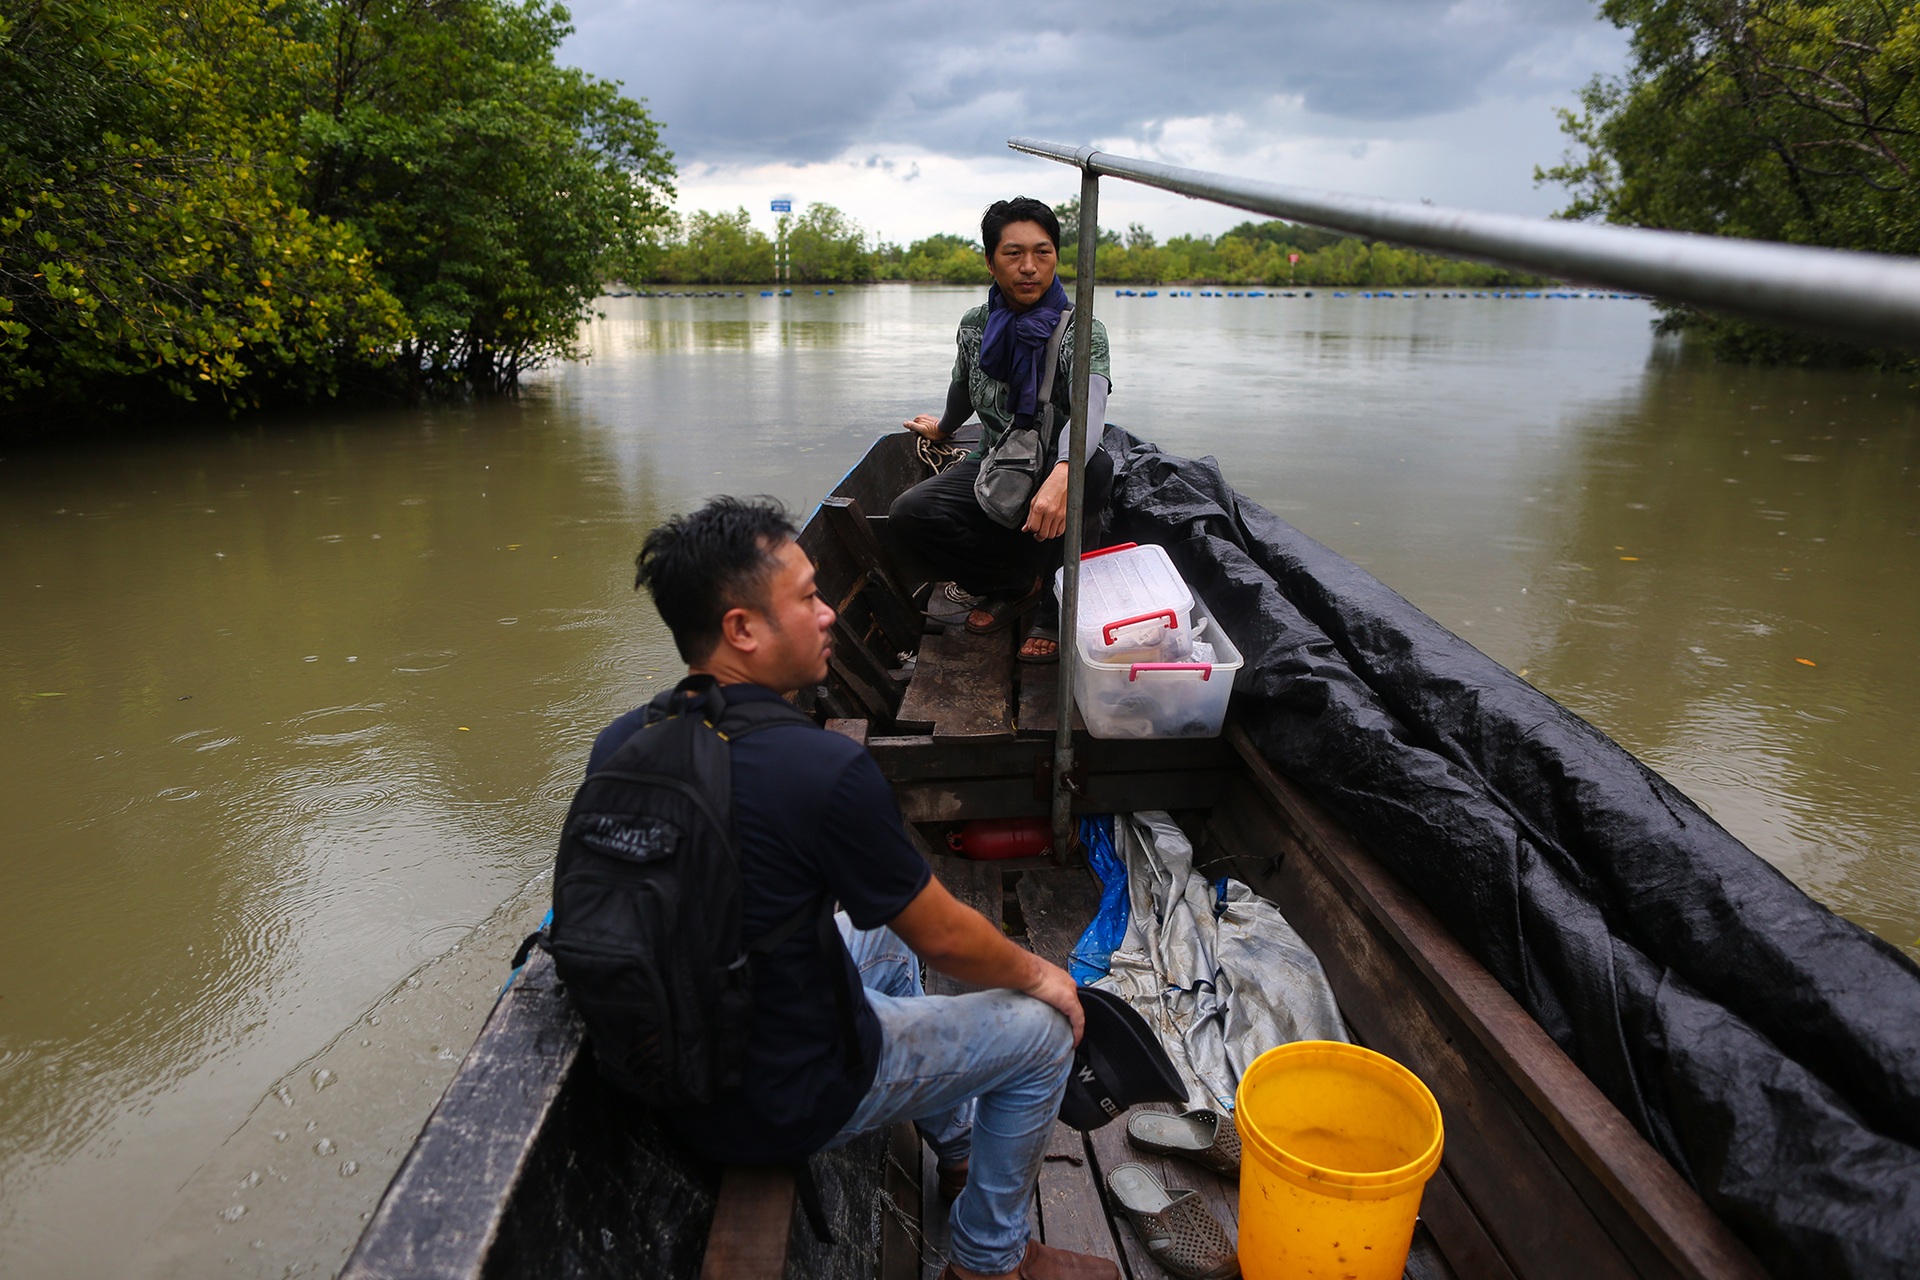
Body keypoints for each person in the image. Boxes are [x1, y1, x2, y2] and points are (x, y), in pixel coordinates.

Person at [591, 496, 1118, 1280]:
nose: (831, 613)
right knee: (1040, 1034)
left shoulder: (626, 737)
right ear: (742, 630)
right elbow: (941, 937)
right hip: (782, 1094)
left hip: (682, 1061)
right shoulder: (822, 770)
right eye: (807, 598)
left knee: (871, 930)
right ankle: (989, 1260)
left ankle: (963, 1151)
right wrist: (1046, 978)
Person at [889, 197, 1113, 663]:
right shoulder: (975, 324)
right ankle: (1014, 581)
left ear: (1056, 257)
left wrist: (1064, 472)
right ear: (991, 261)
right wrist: (944, 429)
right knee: (909, 514)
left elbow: (1091, 407)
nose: (1029, 267)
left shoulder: (1082, 328)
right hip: (996, 460)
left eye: (1042, 252)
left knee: (1096, 470)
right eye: (1013, 254)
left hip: (1056, 463)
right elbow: (962, 390)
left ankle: (1054, 610)